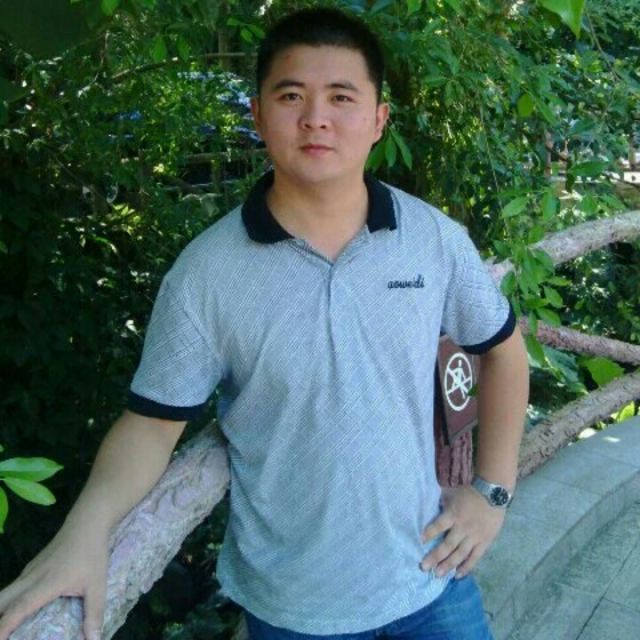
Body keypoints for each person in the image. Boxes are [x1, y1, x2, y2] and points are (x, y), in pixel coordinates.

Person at [0, 7, 529, 640]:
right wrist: (81, 533)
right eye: (291, 96)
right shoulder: (206, 275)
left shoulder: (432, 239)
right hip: (291, 608)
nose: (316, 118)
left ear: (379, 119)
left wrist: (492, 493)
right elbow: (150, 425)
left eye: (341, 97)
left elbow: (503, 350)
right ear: (257, 114)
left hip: (432, 577)